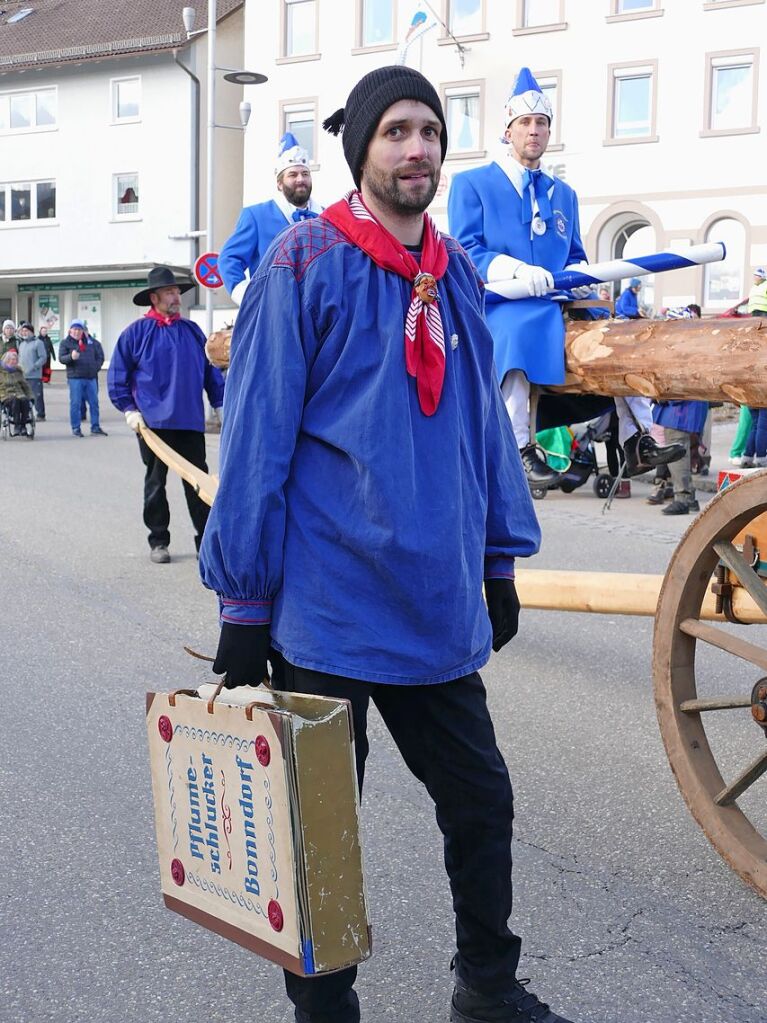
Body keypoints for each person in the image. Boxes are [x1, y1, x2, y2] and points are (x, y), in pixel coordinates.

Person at [201, 65, 577, 1023]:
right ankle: (323, 1009)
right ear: (361, 149)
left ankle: (487, 986)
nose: (416, 149)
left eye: (429, 132)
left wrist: (498, 557)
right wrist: (243, 606)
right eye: (396, 132)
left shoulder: (449, 271)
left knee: (480, 802)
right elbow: (255, 439)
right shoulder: (301, 264)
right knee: (323, 829)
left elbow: (482, 428)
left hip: (435, 605)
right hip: (326, 610)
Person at [448, 68, 683, 485]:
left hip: (560, 304)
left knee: (617, 340)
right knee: (516, 334)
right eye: (525, 123)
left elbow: (575, 255)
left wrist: (582, 277)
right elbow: (466, 249)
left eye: (541, 123)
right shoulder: (472, 184)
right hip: (502, 303)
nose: (534, 131)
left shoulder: (565, 194)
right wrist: (517, 270)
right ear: (508, 129)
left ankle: (636, 440)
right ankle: (517, 448)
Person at [108, 266, 225, 564]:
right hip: (152, 424)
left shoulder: (191, 331)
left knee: (199, 484)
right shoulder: (135, 334)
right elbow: (118, 375)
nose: (177, 297)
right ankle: (159, 540)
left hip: (188, 420)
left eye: (177, 292)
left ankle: (206, 542)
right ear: (154, 297)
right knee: (156, 483)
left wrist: (221, 402)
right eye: (171, 292)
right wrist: (129, 409)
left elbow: (210, 371)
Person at [219, 132, 323, 305]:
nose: (300, 179)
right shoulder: (256, 215)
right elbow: (229, 259)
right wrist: (249, 298)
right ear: (279, 183)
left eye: (305, 174)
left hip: (319, 314)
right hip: (274, 312)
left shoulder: (326, 218)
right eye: (293, 175)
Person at [58, 319, 107, 438]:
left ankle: (95, 427)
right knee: (76, 404)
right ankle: (76, 428)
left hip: (91, 377)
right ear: (70, 330)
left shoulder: (92, 343)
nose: (77, 332)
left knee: (94, 403)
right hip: (75, 378)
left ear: (83, 331)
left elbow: (100, 357)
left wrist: (95, 368)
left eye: (79, 329)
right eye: (74, 329)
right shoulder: (65, 343)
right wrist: (71, 357)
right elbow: (61, 359)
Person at [16, 322, 47, 421]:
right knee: (24, 396)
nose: (24, 333)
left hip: (34, 375)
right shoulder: (22, 344)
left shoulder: (38, 343)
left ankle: (40, 414)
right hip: (23, 375)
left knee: (37, 395)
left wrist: (35, 366)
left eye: (26, 331)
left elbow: (43, 357)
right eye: (23, 331)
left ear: (31, 332)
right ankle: (27, 414)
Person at [0, 348, 34, 434]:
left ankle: (23, 426)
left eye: (16, 360)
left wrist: (31, 397)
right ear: (7, 360)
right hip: (6, 395)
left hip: (20, 394)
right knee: (14, 401)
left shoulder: (18, 372)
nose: (14, 362)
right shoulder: (1, 373)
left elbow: (26, 386)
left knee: (25, 400)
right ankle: (17, 426)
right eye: (12, 360)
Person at [38, 324, 56, 390]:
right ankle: (41, 380)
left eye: (45, 331)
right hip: (41, 357)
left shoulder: (48, 339)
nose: (44, 332)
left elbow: (51, 348)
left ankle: (47, 380)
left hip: (48, 356)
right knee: (42, 368)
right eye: (43, 331)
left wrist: (54, 356)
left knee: (48, 369)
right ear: (40, 332)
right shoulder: (38, 339)